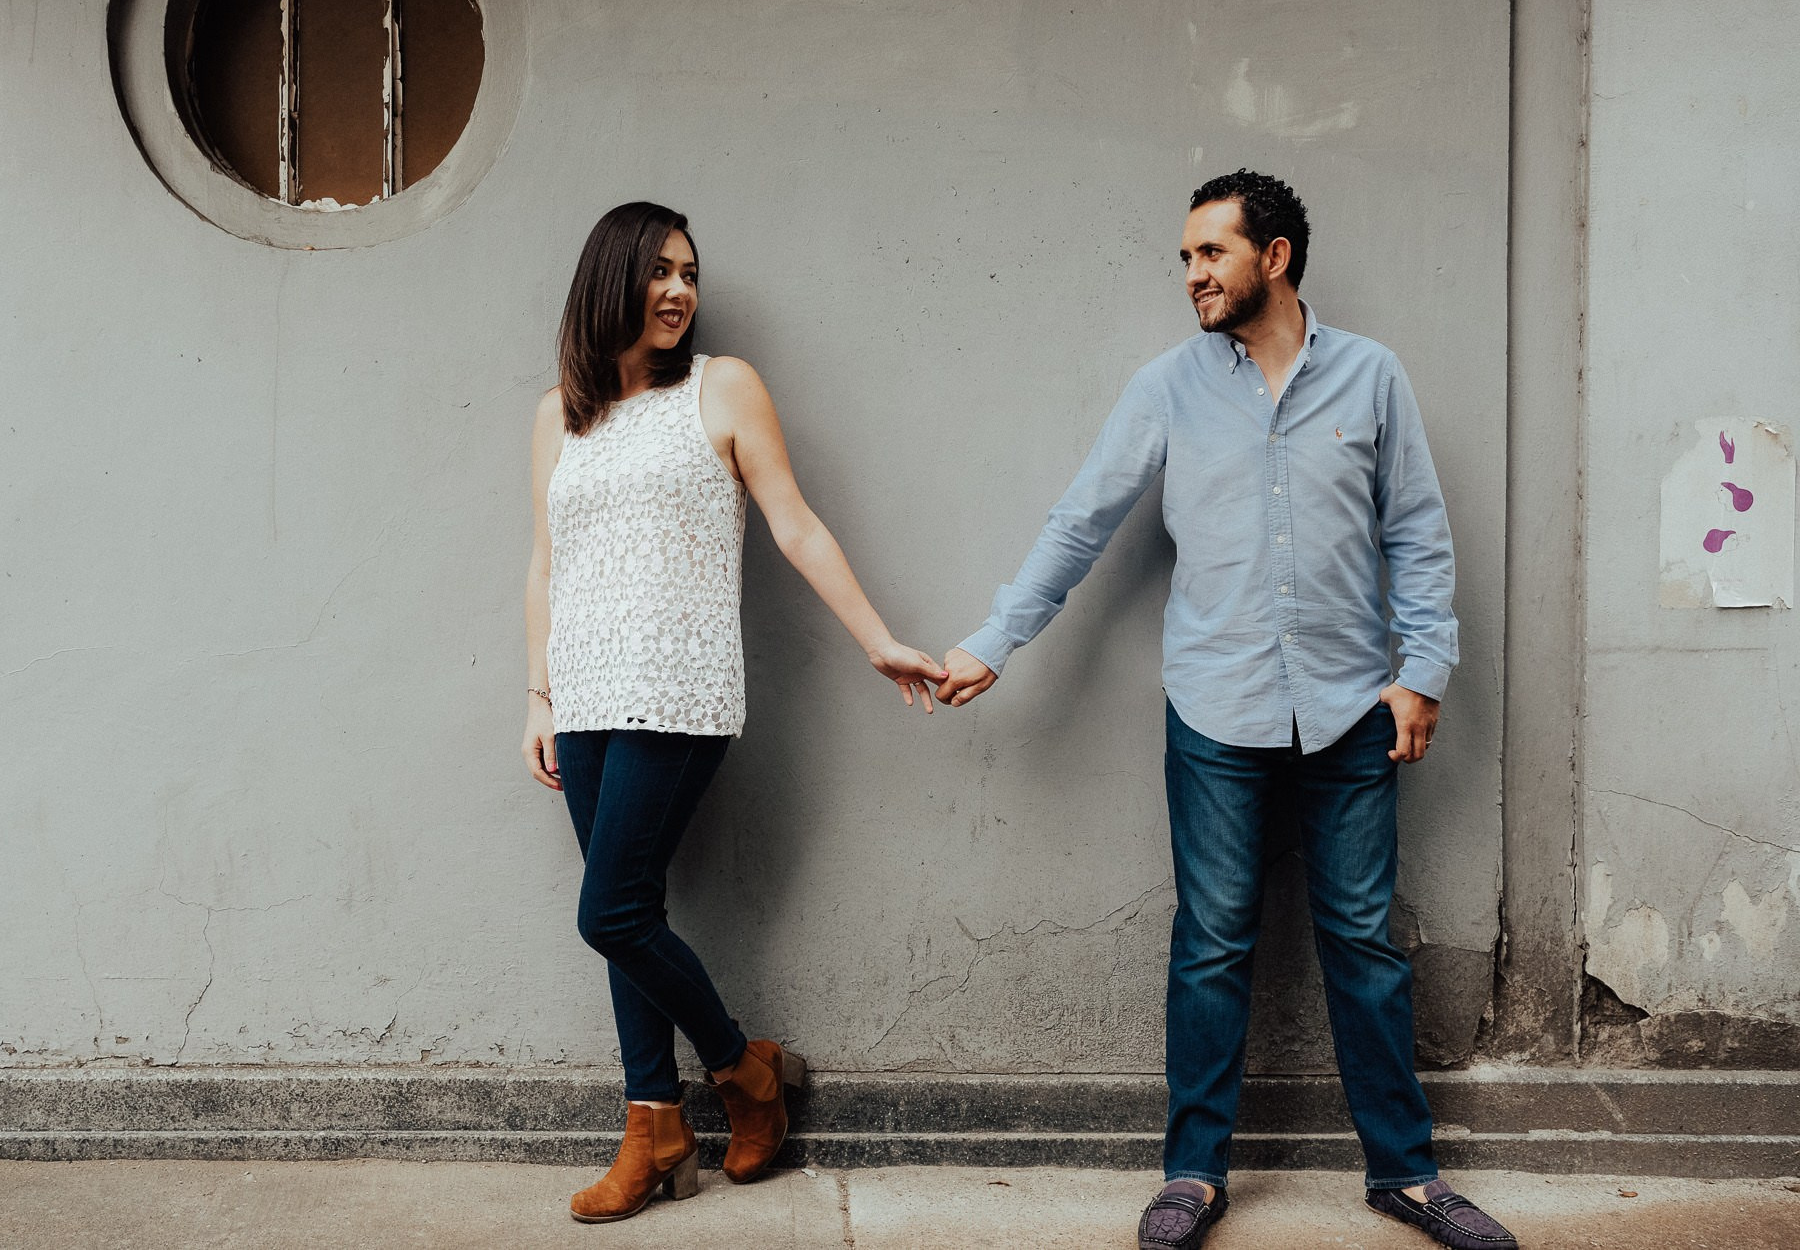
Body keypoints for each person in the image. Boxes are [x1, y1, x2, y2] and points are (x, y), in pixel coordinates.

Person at [934, 171, 1518, 1250]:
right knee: (1208, 944)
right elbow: (1080, 523)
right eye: (1186, 258)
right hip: (1214, 711)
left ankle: (1403, 1175)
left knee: (1362, 944)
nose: (1192, 275)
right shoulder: (1166, 387)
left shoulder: (1371, 378)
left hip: (1350, 712)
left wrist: (1421, 675)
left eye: (1209, 254)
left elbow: (1418, 539)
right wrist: (993, 640)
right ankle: (1193, 1176)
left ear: (1276, 257)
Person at [524, 201, 946, 1225]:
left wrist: (874, 635)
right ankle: (654, 1129)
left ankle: (742, 1072)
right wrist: (535, 693)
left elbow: (793, 524)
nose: (678, 291)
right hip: (581, 690)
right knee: (629, 920)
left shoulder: (722, 387)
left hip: (678, 685)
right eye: (658, 271)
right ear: (608, 279)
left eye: (689, 273)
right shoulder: (558, 415)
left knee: (608, 911)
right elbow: (545, 561)